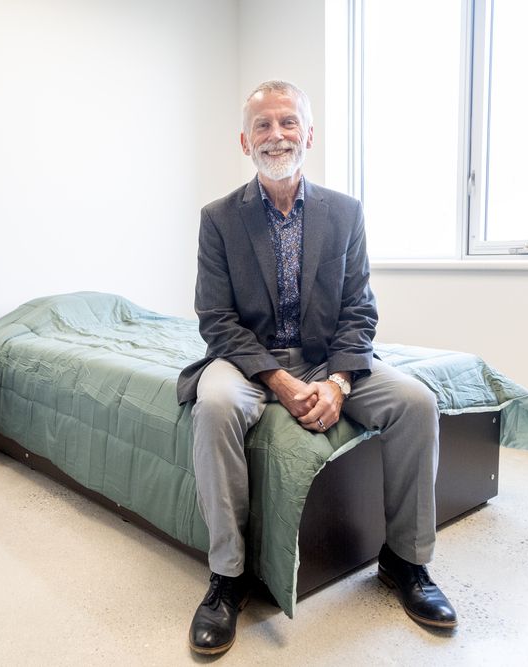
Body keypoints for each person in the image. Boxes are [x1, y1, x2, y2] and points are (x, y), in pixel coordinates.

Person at [176, 80, 457, 655]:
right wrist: (277, 379)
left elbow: (359, 309)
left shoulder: (345, 213)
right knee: (216, 403)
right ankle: (228, 578)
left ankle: (405, 562)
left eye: (287, 123)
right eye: (262, 125)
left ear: (309, 133)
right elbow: (216, 318)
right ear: (243, 140)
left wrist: (337, 379)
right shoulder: (218, 219)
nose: (276, 135)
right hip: (247, 359)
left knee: (416, 402)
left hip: (327, 357)